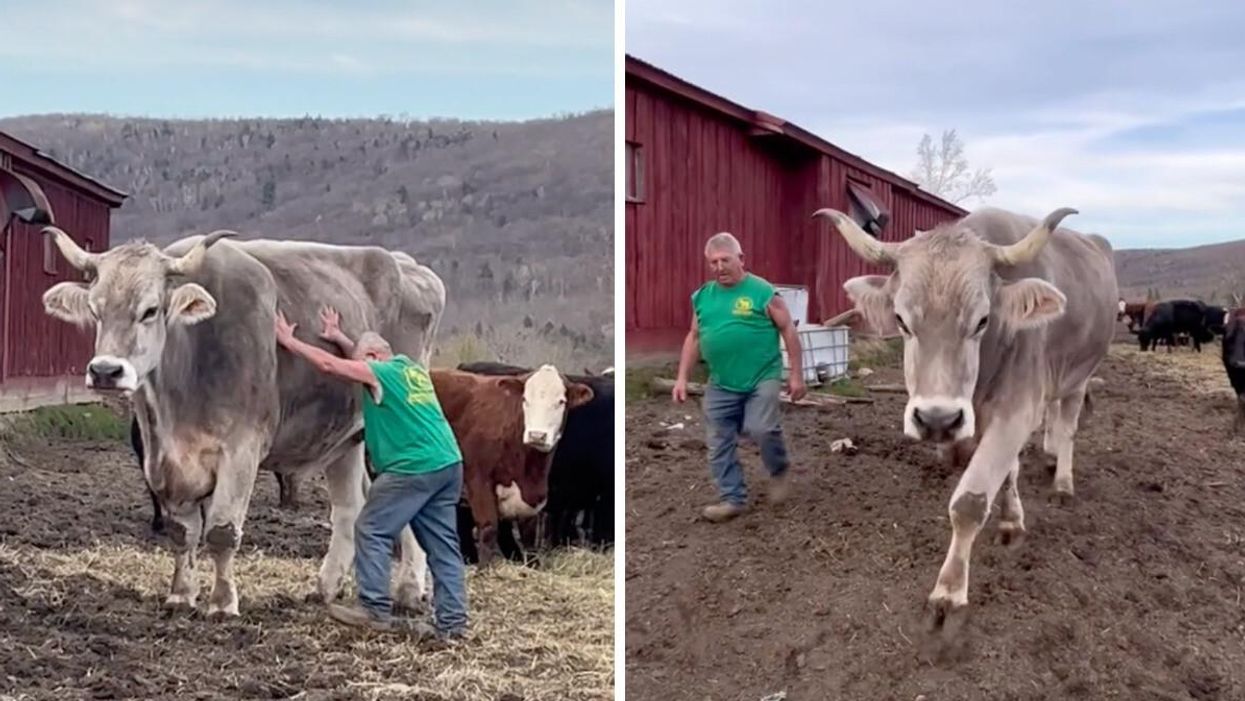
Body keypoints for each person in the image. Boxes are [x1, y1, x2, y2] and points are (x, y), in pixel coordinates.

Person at [274, 306, 468, 640]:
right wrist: (337, 336)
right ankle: (453, 624)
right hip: (448, 465)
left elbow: (331, 365)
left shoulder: (382, 372)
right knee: (442, 546)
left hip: (412, 468)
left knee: (371, 528)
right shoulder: (409, 369)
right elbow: (358, 360)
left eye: (363, 360)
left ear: (376, 357)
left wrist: (291, 343)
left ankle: (373, 608)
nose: (359, 368)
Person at [672, 232, 806, 523]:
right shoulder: (702, 297)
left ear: (741, 259)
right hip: (721, 381)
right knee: (718, 441)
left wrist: (796, 375)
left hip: (762, 376)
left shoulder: (762, 292)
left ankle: (779, 469)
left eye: (725, 260)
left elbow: (789, 331)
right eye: (713, 262)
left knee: (760, 427)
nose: (719, 267)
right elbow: (694, 337)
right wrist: (681, 378)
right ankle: (732, 498)